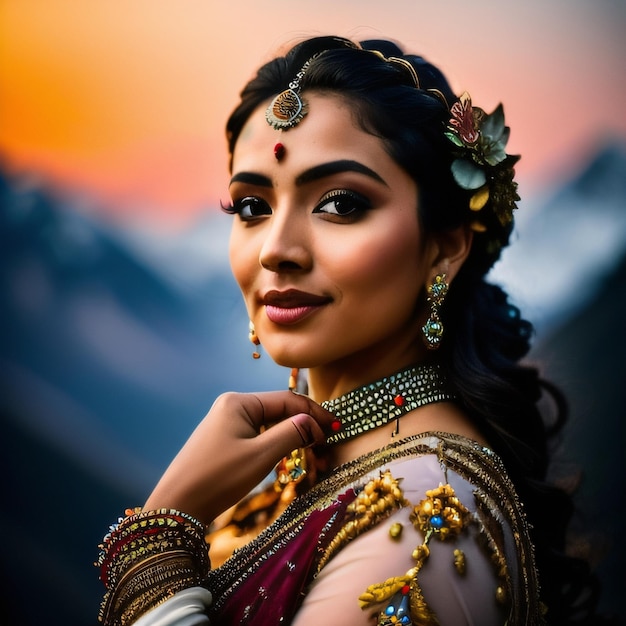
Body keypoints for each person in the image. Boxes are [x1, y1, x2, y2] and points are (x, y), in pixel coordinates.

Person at [95, 35, 601, 625]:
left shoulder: (426, 520)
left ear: (444, 247)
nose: (276, 251)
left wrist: (155, 545)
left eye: (339, 204)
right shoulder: (313, 459)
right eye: (253, 207)